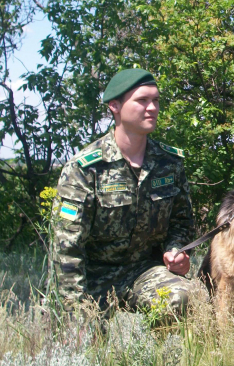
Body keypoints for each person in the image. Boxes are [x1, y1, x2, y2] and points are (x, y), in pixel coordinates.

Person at [50, 68, 195, 315]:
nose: (152, 108)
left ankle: (165, 354)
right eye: (142, 100)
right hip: (92, 276)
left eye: (156, 100)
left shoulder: (168, 163)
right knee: (83, 341)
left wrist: (176, 251)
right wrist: (73, 307)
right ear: (115, 106)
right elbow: (67, 248)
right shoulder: (85, 168)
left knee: (186, 298)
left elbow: (182, 222)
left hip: (144, 272)